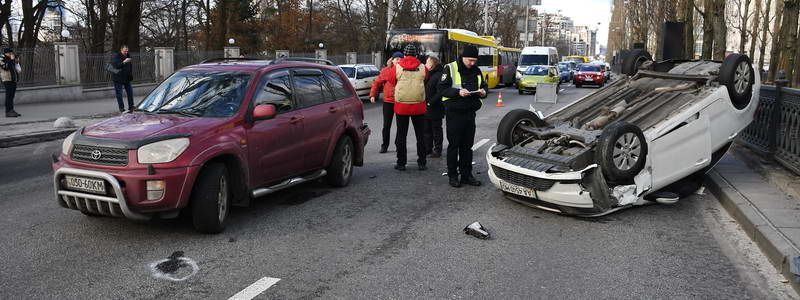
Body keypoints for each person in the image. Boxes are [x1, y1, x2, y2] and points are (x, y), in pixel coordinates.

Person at [437, 45, 487, 188]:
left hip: (470, 113)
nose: (472, 63)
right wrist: (458, 92)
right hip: (454, 113)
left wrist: (484, 91)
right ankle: (453, 176)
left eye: (474, 61)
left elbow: (484, 85)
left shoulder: (477, 70)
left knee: (467, 146)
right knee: (454, 146)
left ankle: (467, 175)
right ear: (463, 57)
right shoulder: (450, 68)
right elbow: (441, 89)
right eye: (470, 60)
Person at [392, 44, 428, 171]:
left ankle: (401, 163)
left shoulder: (397, 66)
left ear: (404, 54)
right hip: (419, 106)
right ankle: (422, 162)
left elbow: (392, 80)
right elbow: (426, 79)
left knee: (401, 135)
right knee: (420, 135)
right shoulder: (423, 67)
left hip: (401, 106)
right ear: (416, 54)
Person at [369, 51, 403, 153]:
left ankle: (399, 145)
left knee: (400, 126)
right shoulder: (386, 71)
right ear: (392, 60)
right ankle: (384, 145)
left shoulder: (404, 70)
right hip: (388, 101)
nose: (399, 61)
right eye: (397, 59)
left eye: (400, 59)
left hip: (400, 101)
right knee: (386, 125)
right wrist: (373, 95)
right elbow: (376, 83)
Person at [423, 53, 444, 158]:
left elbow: (440, 92)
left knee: (436, 130)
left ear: (432, 64)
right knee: (427, 130)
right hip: (426, 107)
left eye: (427, 62)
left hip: (435, 107)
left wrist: (430, 102)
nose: (425, 64)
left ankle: (438, 150)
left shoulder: (439, 75)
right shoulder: (428, 74)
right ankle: (428, 149)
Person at [111, 45, 134, 113]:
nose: (126, 52)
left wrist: (130, 74)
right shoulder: (116, 56)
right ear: (121, 50)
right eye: (125, 51)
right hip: (118, 78)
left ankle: (131, 107)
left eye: (127, 51)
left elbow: (130, 66)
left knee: (130, 92)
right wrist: (124, 62)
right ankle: (122, 108)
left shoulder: (128, 55)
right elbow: (116, 66)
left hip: (127, 78)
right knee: (119, 94)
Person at [1, 48, 21, 117]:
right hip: (7, 79)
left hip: (13, 79)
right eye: (10, 53)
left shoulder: (10, 59)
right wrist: (11, 60)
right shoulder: (1, 59)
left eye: (11, 53)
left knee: (12, 96)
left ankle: (11, 110)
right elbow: (6, 67)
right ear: (6, 53)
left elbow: (15, 68)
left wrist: (16, 61)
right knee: (8, 96)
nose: (11, 54)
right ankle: (8, 111)